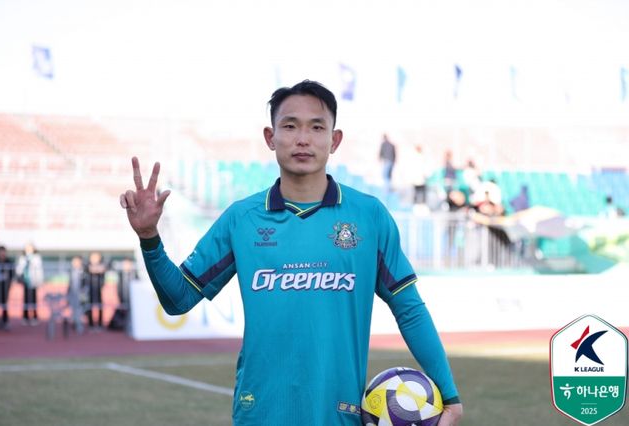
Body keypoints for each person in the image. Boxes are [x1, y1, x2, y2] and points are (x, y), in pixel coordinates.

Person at [119, 80, 462, 425]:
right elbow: (178, 299)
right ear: (271, 137)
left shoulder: (368, 216)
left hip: (339, 417)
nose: (303, 139)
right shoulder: (241, 219)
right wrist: (149, 237)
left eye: (317, 127)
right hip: (260, 414)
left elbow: (409, 309)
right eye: (290, 126)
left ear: (335, 140)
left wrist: (450, 397)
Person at [16, 243, 44, 325]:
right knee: (25, 299)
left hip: (33, 280)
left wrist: (39, 280)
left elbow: (39, 269)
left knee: (34, 299)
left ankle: (34, 316)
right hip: (25, 280)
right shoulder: (22, 258)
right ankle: (25, 316)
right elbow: (19, 268)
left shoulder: (37, 257)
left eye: (30, 248)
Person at [84, 251, 106, 330]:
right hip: (90, 289)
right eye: (93, 257)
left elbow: (103, 269)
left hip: (99, 289)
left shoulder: (103, 264)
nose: (95, 259)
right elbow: (89, 269)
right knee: (89, 306)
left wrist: (96, 269)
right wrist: (96, 269)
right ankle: (91, 324)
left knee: (100, 306)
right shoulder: (86, 265)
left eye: (96, 257)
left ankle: (100, 324)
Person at [66, 255, 86, 335]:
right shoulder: (71, 271)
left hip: (81, 293)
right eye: (74, 261)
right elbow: (69, 283)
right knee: (73, 309)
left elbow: (85, 283)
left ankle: (79, 325)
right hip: (72, 292)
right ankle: (75, 323)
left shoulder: (84, 271)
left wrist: (84, 292)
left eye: (77, 261)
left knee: (80, 309)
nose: (75, 263)